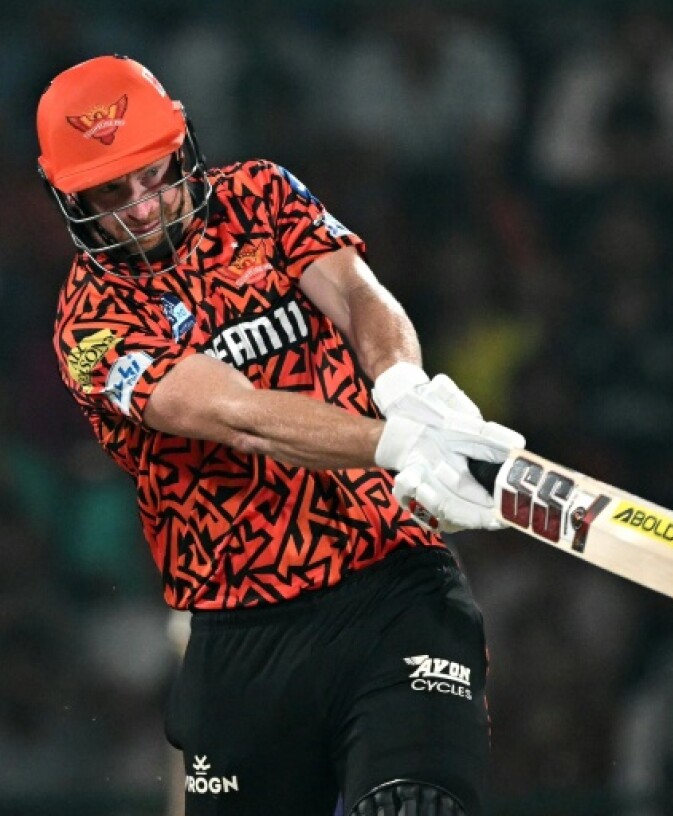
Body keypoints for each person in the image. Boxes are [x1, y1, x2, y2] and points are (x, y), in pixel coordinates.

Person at [36, 54, 524, 816]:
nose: (142, 208)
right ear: (70, 198)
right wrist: (398, 445)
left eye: (154, 175)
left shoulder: (257, 194)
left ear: (181, 146)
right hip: (243, 633)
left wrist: (406, 390)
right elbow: (238, 415)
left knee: (415, 806)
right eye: (111, 194)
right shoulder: (90, 327)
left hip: (392, 581)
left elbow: (355, 292)